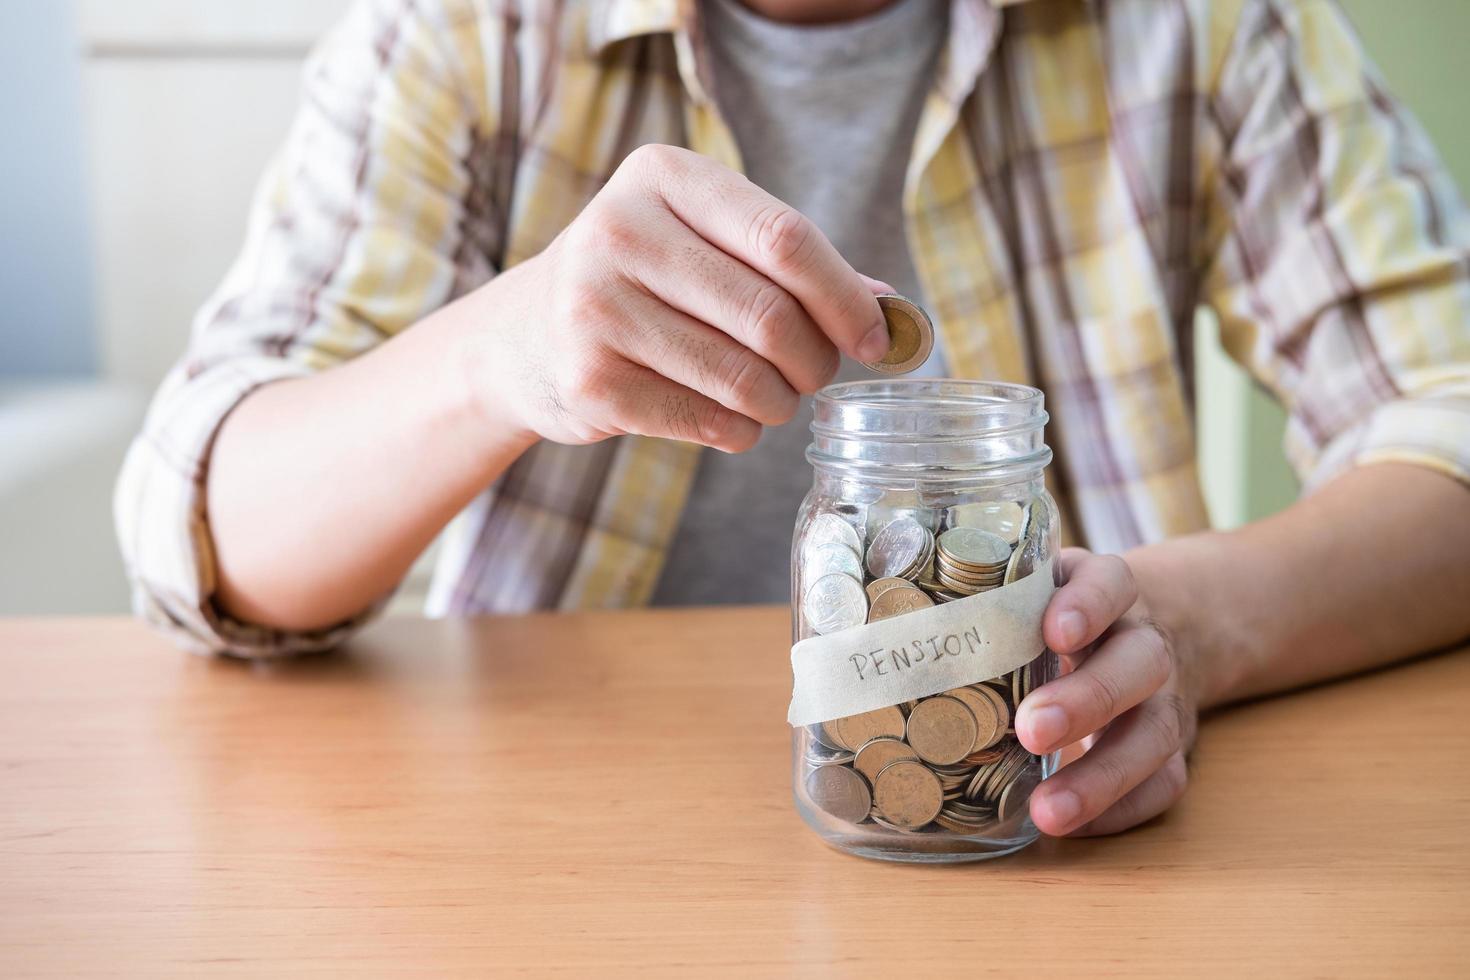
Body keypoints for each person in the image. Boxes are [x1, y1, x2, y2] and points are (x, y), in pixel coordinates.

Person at [116, 0, 1470, 839]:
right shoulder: (461, 33)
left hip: (1059, 828)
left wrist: (1186, 622)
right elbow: (205, 535)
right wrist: (494, 357)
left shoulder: (1202, 21)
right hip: (536, 838)